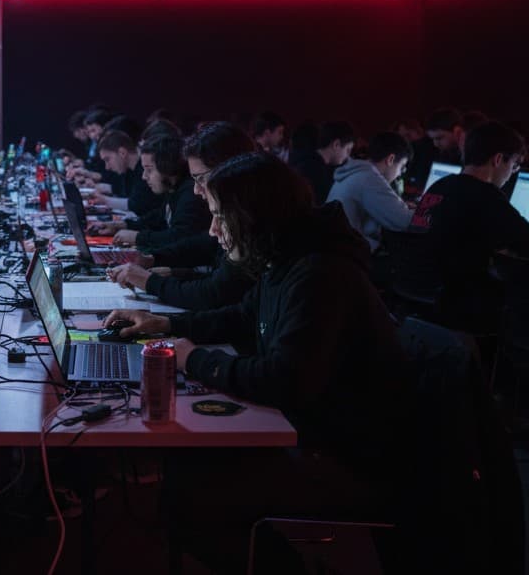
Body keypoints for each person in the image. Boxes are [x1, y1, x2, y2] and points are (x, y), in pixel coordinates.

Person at [104, 152, 415, 574]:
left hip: (347, 456)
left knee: (192, 500)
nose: (213, 231)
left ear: (254, 216)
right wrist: (164, 322)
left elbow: (283, 380)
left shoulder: (320, 274)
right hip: (315, 432)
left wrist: (193, 360)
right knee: (184, 474)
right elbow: (241, 315)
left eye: (219, 217)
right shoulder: (289, 256)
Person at [108, 122, 254, 310]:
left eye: (201, 178)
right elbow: (208, 255)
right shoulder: (232, 212)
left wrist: (152, 282)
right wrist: (160, 263)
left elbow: (217, 292)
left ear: (230, 170)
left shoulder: (250, 225)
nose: (196, 190)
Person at [401, 121, 529, 331]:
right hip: (457, 301)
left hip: (416, 292)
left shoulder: (440, 185)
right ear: (498, 159)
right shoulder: (485, 195)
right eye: (513, 166)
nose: (511, 174)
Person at [92, 134, 210, 255]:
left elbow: (179, 237)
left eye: (149, 170)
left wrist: (138, 237)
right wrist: (121, 225)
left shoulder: (190, 194)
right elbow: (158, 218)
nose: (144, 177)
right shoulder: (174, 189)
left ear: (167, 167)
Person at [327, 131, 413, 252]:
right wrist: (429, 211)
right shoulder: (369, 178)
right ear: (391, 159)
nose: (399, 174)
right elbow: (404, 221)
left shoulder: (355, 172)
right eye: (402, 167)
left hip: (336, 249)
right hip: (350, 254)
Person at [290, 120, 355, 204]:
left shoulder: (305, 161)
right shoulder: (315, 171)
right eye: (348, 150)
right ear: (336, 144)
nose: (348, 156)